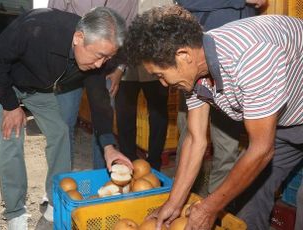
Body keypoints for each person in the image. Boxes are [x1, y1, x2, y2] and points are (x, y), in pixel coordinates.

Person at [124, 5, 303, 230]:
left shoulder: (252, 58)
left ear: (183, 55)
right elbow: (195, 138)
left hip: (292, 112)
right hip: (285, 119)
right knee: (248, 199)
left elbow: (261, 149)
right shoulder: (196, 70)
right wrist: (174, 202)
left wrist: (210, 207)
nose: (164, 84)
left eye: (161, 75)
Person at [0, 7, 132, 230]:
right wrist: (11, 106)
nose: (101, 64)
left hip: (39, 89)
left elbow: (99, 100)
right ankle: (16, 212)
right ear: (79, 37)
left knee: (60, 132)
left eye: (108, 58)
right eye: (99, 56)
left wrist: (109, 145)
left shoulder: (94, 57)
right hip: (4, 82)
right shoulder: (37, 27)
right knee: (12, 137)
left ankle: (56, 202)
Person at [175, 0, 266, 195]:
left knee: (227, 148)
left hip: (237, 66)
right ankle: (183, 199)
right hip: (197, 61)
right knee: (192, 139)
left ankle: (214, 207)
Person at [48, 0, 138, 169]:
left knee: (104, 121)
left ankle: (103, 177)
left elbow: (130, 35)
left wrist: (120, 68)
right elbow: (53, 19)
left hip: (105, 68)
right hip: (70, 66)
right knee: (63, 126)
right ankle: (59, 181)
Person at [115, 0, 173, 171]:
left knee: (158, 115)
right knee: (124, 115)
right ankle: (128, 160)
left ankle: (154, 162)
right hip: (124, 66)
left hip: (156, 65)